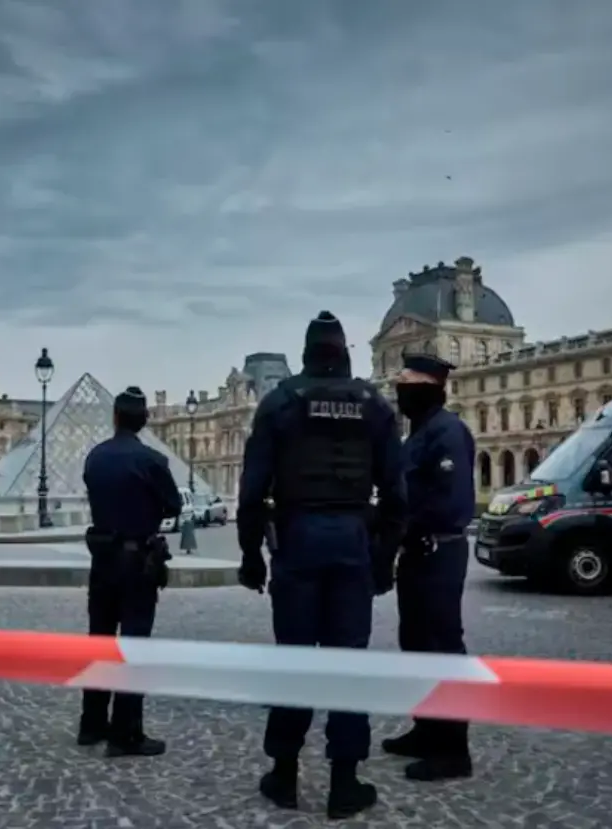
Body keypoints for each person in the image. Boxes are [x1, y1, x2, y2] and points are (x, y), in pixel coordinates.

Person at [237, 311, 406, 821]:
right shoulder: (374, 405)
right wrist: (385, 560)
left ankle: (284, 776)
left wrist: (251, 557)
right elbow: (397, 496)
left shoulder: (280, 402)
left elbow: (250, 495)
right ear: (346, 353)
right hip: (353, 537)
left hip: (297, 538)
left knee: (294, 660)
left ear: (307, 353)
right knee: (348, 663)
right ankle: (344, 782)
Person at [382, 354, 476, 782]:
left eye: (407, 384)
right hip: (418, 552)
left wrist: (411, 526)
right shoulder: (419, 433)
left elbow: (451, 502)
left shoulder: (448, 432)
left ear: (431, 388)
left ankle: (453, 749)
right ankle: (426, 729)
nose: (399, 391)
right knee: (416, 643)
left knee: (442, 647)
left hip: (439, 549)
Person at [79, 385, 183, 756]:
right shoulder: (152, 460)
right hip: (138, 560)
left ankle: (91, 725)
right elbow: (172, 505)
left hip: (102, 558)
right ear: (145, 420)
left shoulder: (95, 457)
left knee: (100, 641)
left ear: (115, 418)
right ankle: (126, 733)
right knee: (133, 645)